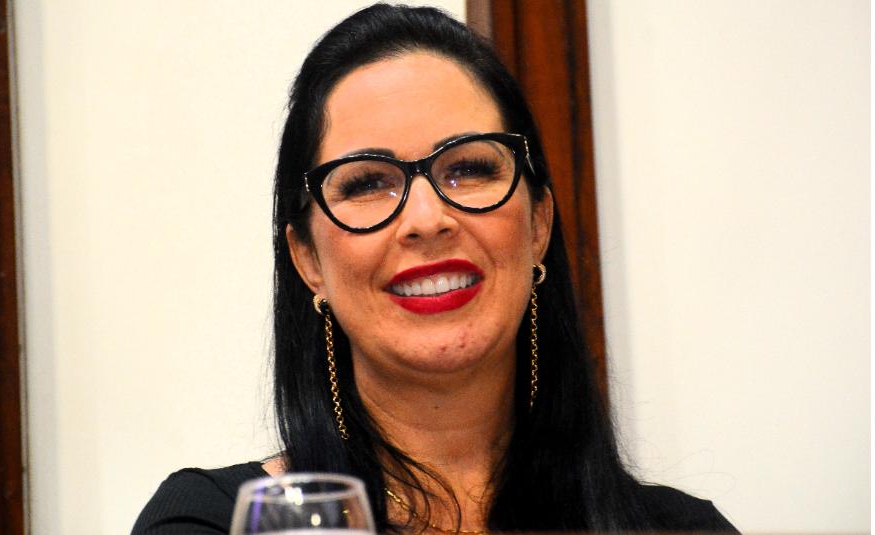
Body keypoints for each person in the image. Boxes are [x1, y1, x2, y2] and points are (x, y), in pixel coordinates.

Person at [133, 4, 737, 534]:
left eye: (469, 169)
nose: (426, 218)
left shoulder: (682, 528)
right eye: (366, 182)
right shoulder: (212, 522)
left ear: (538, 225)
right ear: (308, 260)